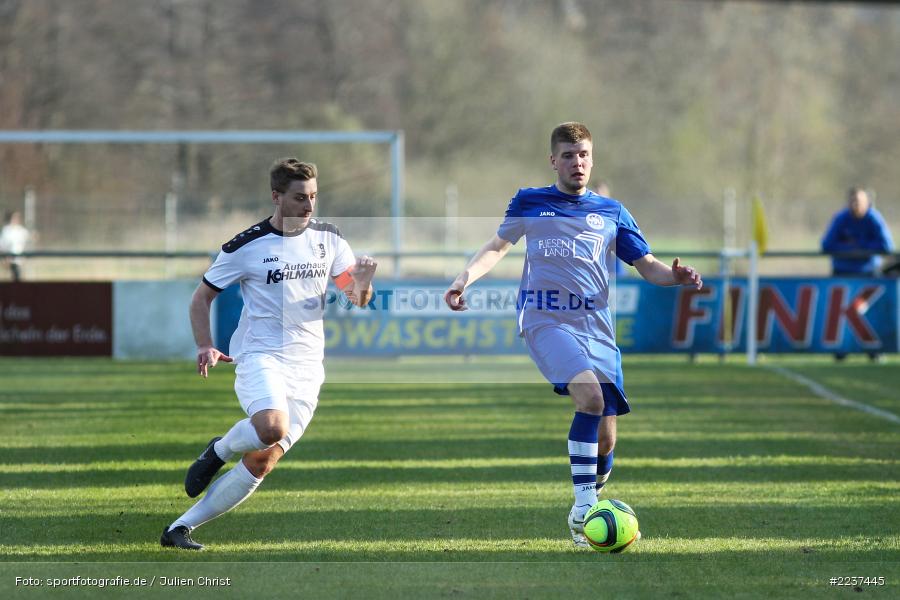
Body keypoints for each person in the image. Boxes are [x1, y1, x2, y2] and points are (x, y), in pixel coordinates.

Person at [444, 122, 702, 549]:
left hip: (597, 326)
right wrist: (463, 279)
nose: (576, 162)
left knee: (607, 437)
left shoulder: (613, 211)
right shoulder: (531, 201)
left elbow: (648, 265)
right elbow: (497, 246)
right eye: (567, 155)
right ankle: (584, 507)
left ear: (592, 158)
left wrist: (675, 277)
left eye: (582, 154)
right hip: (545, 319)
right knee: (590, 398)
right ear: (553, 161)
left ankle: (592, 497)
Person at [160, 158, 377, 550]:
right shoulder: (246, 245)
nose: (309, 207)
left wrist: (363, 282)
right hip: (262, 355)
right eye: (299, 198)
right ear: (276, 197)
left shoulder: (330, 239)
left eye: (313, 197)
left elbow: (356, 298)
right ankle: (221, 449)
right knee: (272, 428)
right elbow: (202, 297)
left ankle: (179, 528)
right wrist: (205, 344)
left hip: (308, 366)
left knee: (263, 459)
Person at [821, 187, 894, 361]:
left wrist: (862, 248)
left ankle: (874, 351)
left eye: (859, 201)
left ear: (867, 203)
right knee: (840, 315)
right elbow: (826, 245)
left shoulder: (873, 219)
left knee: (869, 313)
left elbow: (886, 246)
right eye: (852, 201)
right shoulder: (841, 219)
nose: (855, 205)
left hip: (867, 275)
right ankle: (840, 351)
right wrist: (850, 249)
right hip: (842, 274)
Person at [0, 210, 30, 281]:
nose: (16, 219)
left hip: (20, 260)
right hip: (9, 259)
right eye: (15, 217)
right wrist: (5, 258)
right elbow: (2, 244)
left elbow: (28, 243)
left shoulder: (23, 231)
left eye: (18, 217)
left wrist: (24, 257)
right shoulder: (6, 230)